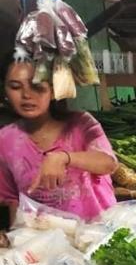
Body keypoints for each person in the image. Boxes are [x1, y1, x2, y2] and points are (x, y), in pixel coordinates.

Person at [0, 59, 117, 226]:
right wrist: (16, 239)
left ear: (53, 91)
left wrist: (64, 157)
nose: (26, 95)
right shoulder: (5, 140)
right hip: (46, 243)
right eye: (15, 87)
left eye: (37, 86)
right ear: (5, 92)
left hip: (96, 235)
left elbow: (108, 163)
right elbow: (13, 199)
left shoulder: (81, 124)